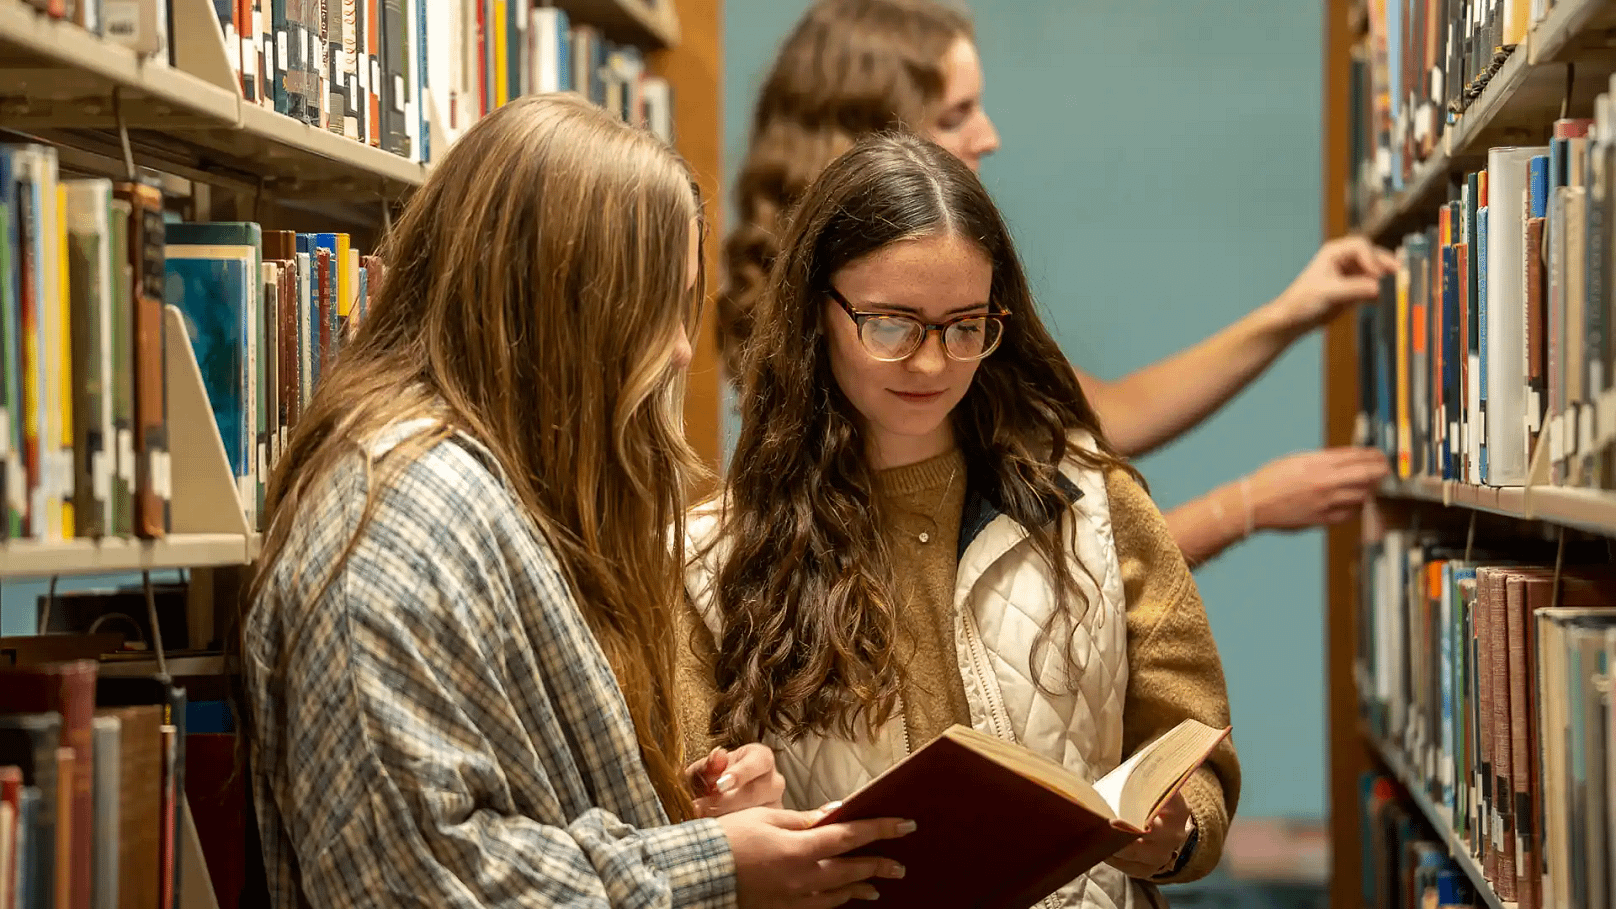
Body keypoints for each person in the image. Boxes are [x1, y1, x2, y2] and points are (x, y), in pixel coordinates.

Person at [241, 93, 913, 909]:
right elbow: (423, 882)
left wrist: (677, 818)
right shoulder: (398, 528)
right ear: (568, 306)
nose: (677, 351)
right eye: (661, 307)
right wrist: (710, 866)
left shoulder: (488, 493)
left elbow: (520, 809)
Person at [685, 131, 1241, 908]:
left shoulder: (1090, 500)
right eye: (892, 325)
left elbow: (1196, 746)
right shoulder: (713, 553)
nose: (932, 363)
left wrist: (1177, 830)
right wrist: (735, 816)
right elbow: (682, 813)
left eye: (965, 325)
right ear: (818, 311)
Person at [718, 0, 1393, 566]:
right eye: (955, 115)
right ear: (877, 136)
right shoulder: (852, 333)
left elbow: (1100, 415)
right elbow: (1016, 584)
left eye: (962, 329)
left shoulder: (947, 297)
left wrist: (1291, 313)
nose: (990, 136)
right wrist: (1246, 506)